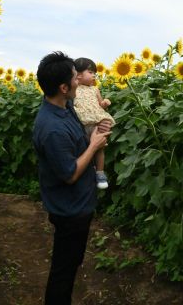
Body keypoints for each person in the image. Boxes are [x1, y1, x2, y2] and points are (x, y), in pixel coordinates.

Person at [33, 51, 111, 305]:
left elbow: (81, 136)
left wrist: (97, 129)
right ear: (64, 87)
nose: (80, 81)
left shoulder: (65, 108)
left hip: (79, 202)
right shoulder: (52, 128)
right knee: (63, 271)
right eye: (75, 79)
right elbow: (69, 174)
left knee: (72, 260)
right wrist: (94, 145)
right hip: (70, 209)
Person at [74, 57, 115, 189]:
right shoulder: (73, 88)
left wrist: (105, 103)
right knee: (83, 147)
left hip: (96, 122)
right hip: (82, 123)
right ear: (78, 75)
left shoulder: (95, 89)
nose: (94, 75)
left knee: (99, 147)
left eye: (94, 73)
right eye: (90, 72)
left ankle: (100, 172)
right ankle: (88, 169)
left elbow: (100, 104)